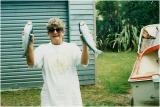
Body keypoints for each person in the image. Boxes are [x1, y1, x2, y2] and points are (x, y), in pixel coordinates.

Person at [23, 17, 89, 106]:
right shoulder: (42, 49)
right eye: (51, 30)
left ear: (63, 32)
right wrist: (30, 45)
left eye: (58, 29)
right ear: (48, 33)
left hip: (72, 99)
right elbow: (31, 63)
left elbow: (84, 62)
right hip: (50, 101)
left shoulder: (72, 47)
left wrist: (85, 44)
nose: (55, 32)